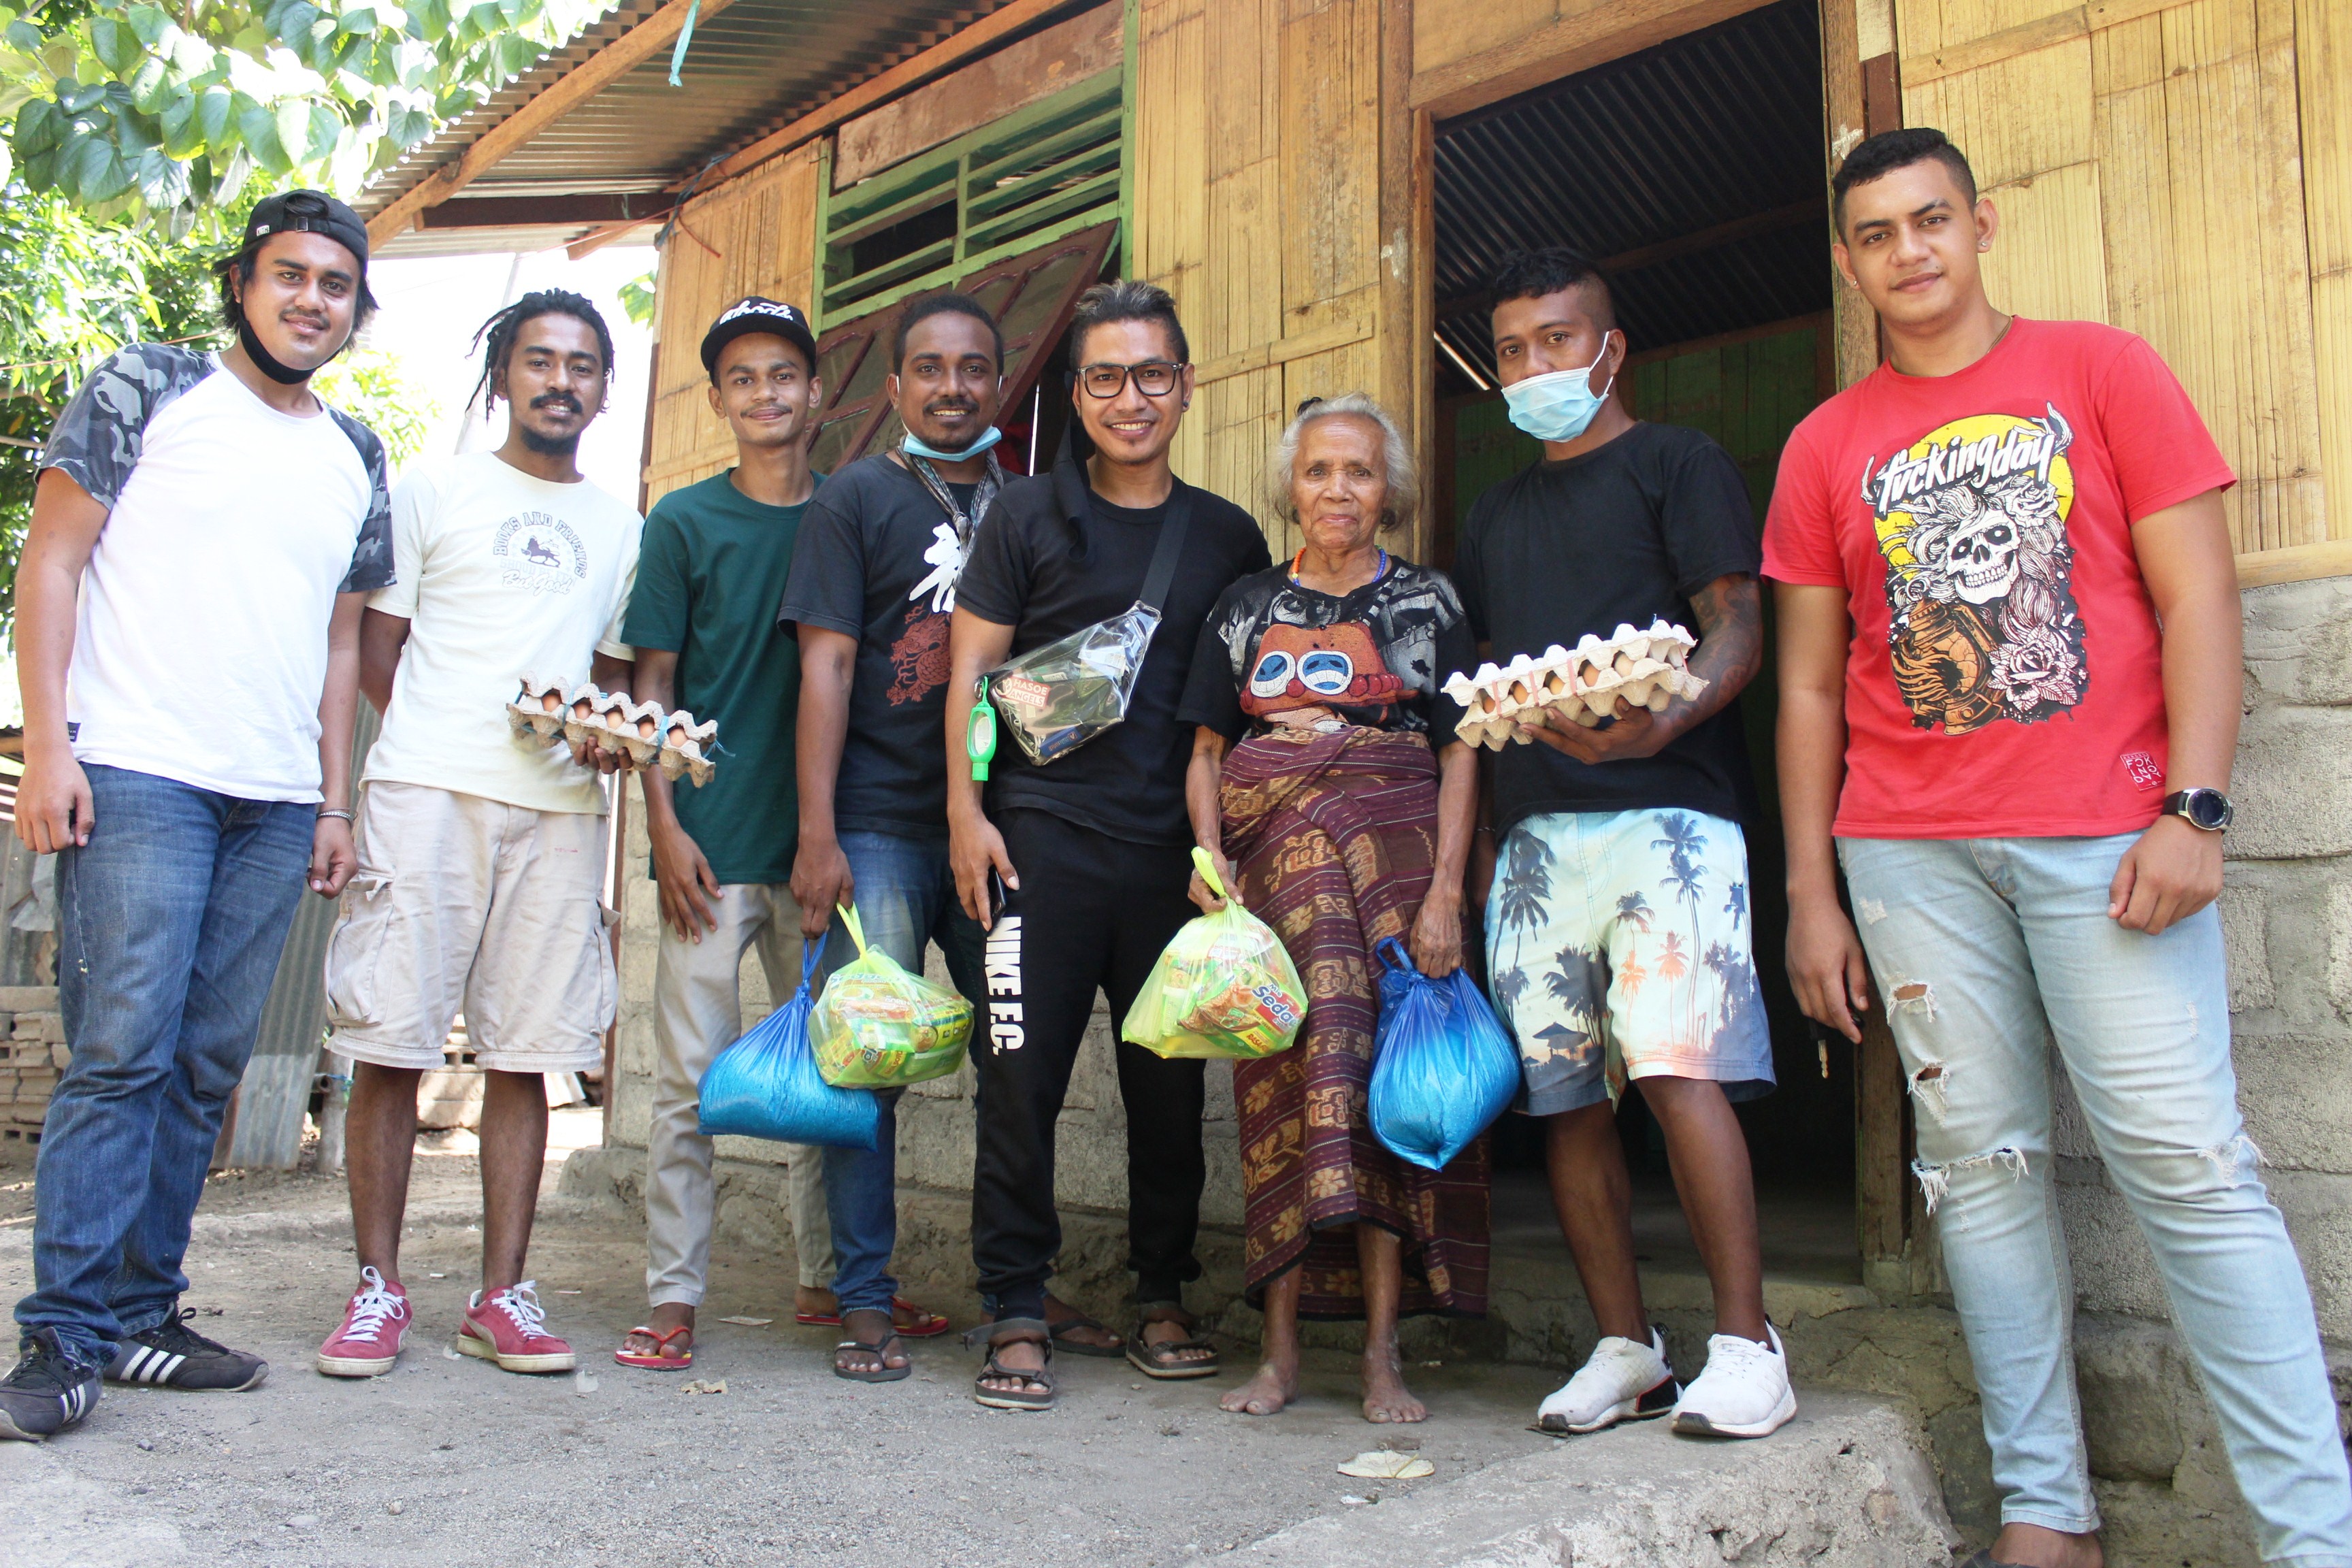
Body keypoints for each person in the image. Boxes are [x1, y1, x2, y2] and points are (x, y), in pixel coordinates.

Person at [1767, 127, 2352, 1568]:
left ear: (1983, 224)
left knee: (2188, 1165)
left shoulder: (2103, 371)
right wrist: (1809, 892)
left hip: (2110, 838)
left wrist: (2197, 810)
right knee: (1979, 1170)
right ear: (1849, 261)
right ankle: (2047, 1511)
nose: (1909, 253)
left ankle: (2309, 1536)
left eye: (1932, 221)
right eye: (1877, 234)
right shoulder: (1826, 444)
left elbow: (2199, 600)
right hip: (1908, 854)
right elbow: (1803, 683)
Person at [0, 192, 386, 1441]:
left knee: (206, 1063)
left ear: (355, 306)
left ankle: (139, 1315)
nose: (311, 300)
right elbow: (50, 558)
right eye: (290, 276)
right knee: (122, 1053)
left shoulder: (356, 453)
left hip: (276, 801)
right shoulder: (145, 387)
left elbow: (340, 639)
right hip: (141, 772)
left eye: (334, 283)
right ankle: (61, 1335)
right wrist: (50, 742)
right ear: (242, 282)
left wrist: (334, 797)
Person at [1456, 246, 1793, 1440]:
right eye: (1512, 350)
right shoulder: (1494, 514)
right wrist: (1482, 854)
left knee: (1675, 1069)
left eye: (1558, 340)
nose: (1536, 366)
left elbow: (1738, 626)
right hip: (1541, 839)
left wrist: (1665, 720)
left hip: (1672, 823)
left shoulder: (1676, 462)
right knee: (1565, 1099)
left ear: (1610, 349)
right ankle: (1625, 1344)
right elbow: (1480, 700)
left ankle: (1749, 1346)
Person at [945, 280, 1273, 1410]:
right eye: (1103, 378)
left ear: (1184, 386)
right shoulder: (1026, 516)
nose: (1129, 399)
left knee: (1169, 1091)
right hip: (1037, 843)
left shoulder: (1229, 536)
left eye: (1151, 376)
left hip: (1169, 862)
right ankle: (1018, 1305)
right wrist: (968, 814)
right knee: (1019, 1078)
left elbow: (1237, 714)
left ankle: (1161, 1292)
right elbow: (970, 679)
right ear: (1076, 393)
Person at [313, 291, 641, 1380]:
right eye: (539, 360)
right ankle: (377, 1289)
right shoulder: (432, 487)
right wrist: (427, 740)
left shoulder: (621, 525)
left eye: (582, 365)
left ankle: (503, 1294)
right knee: (391, 1041)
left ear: (603, 387)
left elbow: (608, 677)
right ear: (501, 376)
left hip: (558, 810)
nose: (561, 380)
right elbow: (376, 642)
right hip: (425, 793)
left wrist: (596, 739)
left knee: (530, 1055)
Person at [1177, 393, 1487, 1424]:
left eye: (1359, 472)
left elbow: (1458, 750)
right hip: (1276, 888)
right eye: (1318, 472)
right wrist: (1211, 859)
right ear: (1290, 486)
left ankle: (1381, 1357)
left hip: (1398, 876)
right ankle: (1279, 1355)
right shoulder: (1243, 607)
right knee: (1282, 1092)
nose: (1339, 491)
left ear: (1388, 489)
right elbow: (1209, 751)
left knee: (1381, 1095)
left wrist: (1447, 890)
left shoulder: (1431, 604)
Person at [610, 295, 877, 1373]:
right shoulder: (684, 521)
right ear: (719, 400)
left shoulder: (854, 511)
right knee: (690, 1080)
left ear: (818, 393)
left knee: (832, 1073)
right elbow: (652, 687)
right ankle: (674, 1297)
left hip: (828, 848)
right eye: (743, 379)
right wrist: (661, 828)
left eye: (784, 375)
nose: (766, 393)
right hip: (710, 850)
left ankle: (826, 1281)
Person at [777, 292, 1015, 1381]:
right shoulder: (856, 498)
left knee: (1018, 1059)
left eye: (973, 368)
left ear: (999, 381)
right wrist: (816, 831)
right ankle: (864, 1293)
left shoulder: (1031, 501)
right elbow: (824, 663)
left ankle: (1018, 1290)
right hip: (873, 824)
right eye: (931, 368)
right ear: (897, 388)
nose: (953, 387)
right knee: (869, 1066)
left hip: (1001, 831)